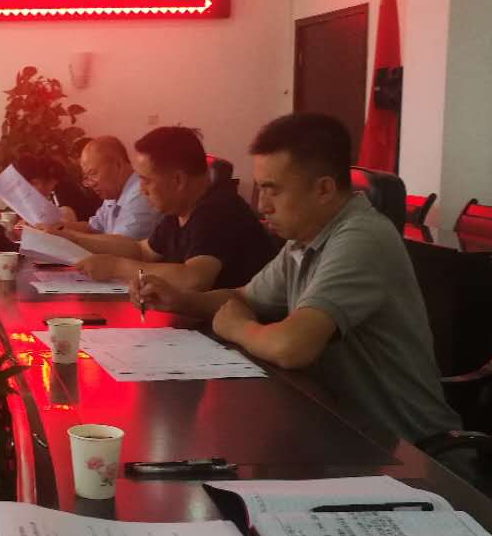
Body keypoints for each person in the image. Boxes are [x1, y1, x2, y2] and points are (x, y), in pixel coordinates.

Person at [133, 113, 459, 444]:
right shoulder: (304, 239)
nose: (262, 205)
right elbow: (243, 298)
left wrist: (237, 327)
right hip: (341, 427)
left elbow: (292, 347)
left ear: (324, 189)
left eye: (273, 190)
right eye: (260, 189)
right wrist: (179, 299)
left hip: (411, 449)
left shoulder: (362, 238)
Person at [75, 126, 280, 290]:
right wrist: (72, 239)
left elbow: (194, 279)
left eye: (146, 180)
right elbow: (142, 250)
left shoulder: (219, 209)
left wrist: (116, 267)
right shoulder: (180, 210)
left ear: (178, 180)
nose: (142, 189)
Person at [38, 136, 162, 242]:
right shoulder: (113, 193)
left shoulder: (141, 194)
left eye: (93, 173)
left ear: (117, 165)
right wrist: (56, 226)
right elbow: (93, 228)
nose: (90, 184)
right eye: (87, 177)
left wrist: (70, 235)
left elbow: (121, 247)